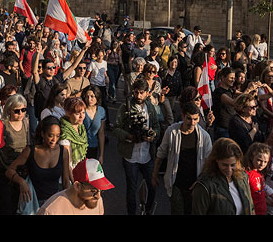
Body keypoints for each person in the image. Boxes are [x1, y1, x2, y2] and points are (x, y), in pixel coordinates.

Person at [152, 102, 213, 215]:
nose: (192, 123)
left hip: (195, 186)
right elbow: (160, 154)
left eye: (195, 119)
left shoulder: (204, 137)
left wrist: (201, 181)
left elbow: (209, 163)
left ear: (199, 118)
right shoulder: (172, 132)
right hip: (177, 184)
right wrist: (154, 174)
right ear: (183, 115)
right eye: (189, 119)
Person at [114, 78, 160, 215]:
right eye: (136, 93)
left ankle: (148, 210)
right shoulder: (125, 107)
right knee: (132, 189)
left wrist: (153, 135)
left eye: (141, 93)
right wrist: (129, 136)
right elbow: (116, 128)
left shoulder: (151, 108)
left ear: (147, 93)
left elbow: (157, 126)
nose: (138, 96)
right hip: (130, 156)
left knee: (152, 186)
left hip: (147, 155)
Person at [6, 115, 71, 209]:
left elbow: (65, 181)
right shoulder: (30, 151)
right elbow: (9, 171)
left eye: (57, 136)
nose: (54, 140)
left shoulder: (63, 152)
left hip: (54, 203)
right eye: (50, 135)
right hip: (33, 203)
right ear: (42, 134)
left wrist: (67, 202)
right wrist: (22, 182)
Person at [0, 93, 30, 215]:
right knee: (6, 210)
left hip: (19, 173)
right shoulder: (1, 124)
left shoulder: (26, 123)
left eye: (23, 110)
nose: (20, 113)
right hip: (2, 173)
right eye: (17, 111)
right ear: (9, 110)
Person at [191, 137, 255, 215]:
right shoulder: (205, 186)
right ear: (216, 160)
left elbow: (250, 207)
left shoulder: (243, 177)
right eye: (224, 165)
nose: (229, 169)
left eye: (233, 165)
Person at [36, 158, 114, 215]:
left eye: (101, 190)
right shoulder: (51, 211)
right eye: (93, 191)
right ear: (77, 186)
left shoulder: (97, 200)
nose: (98, 196)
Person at [242, 142, 273, 215]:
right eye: (259, 160)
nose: (262, 164)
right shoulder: (246, 174)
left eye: (265, 162)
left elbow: (261, 194)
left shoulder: (259, 174)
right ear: (252, 157)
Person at [59, 96, 89, 174]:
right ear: (68, 113)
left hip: (79, 170)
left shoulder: (81, 128)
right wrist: (74, 180)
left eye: (83, 112)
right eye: (77, 113)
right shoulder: (65, 133)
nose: (81, 116)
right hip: (69, 175)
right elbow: (67, 162)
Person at [82, 85, 106, 164]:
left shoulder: (101, 111)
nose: (89, 99)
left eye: (92, 96)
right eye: (87, 96)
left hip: (93, 147)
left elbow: (101, 134)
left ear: (97, 97)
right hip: (80, 147)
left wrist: (101, 155)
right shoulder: (81, 110)